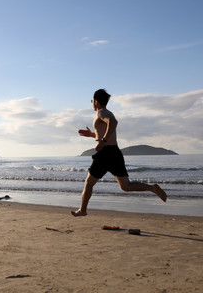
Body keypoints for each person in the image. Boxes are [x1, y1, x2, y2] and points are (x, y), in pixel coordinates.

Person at [71, 89, 167, 217]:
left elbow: (114, 123)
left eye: (92, 101)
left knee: (89, 183)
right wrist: (92, 135)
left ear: (96, 102)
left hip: (105, 154)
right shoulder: (105, 112)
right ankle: (152, 188)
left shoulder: (101, 112)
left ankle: (83, 210)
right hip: (115, 152)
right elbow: (106, 130)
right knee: (126, 186)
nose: (92, 103)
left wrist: (103, 141)